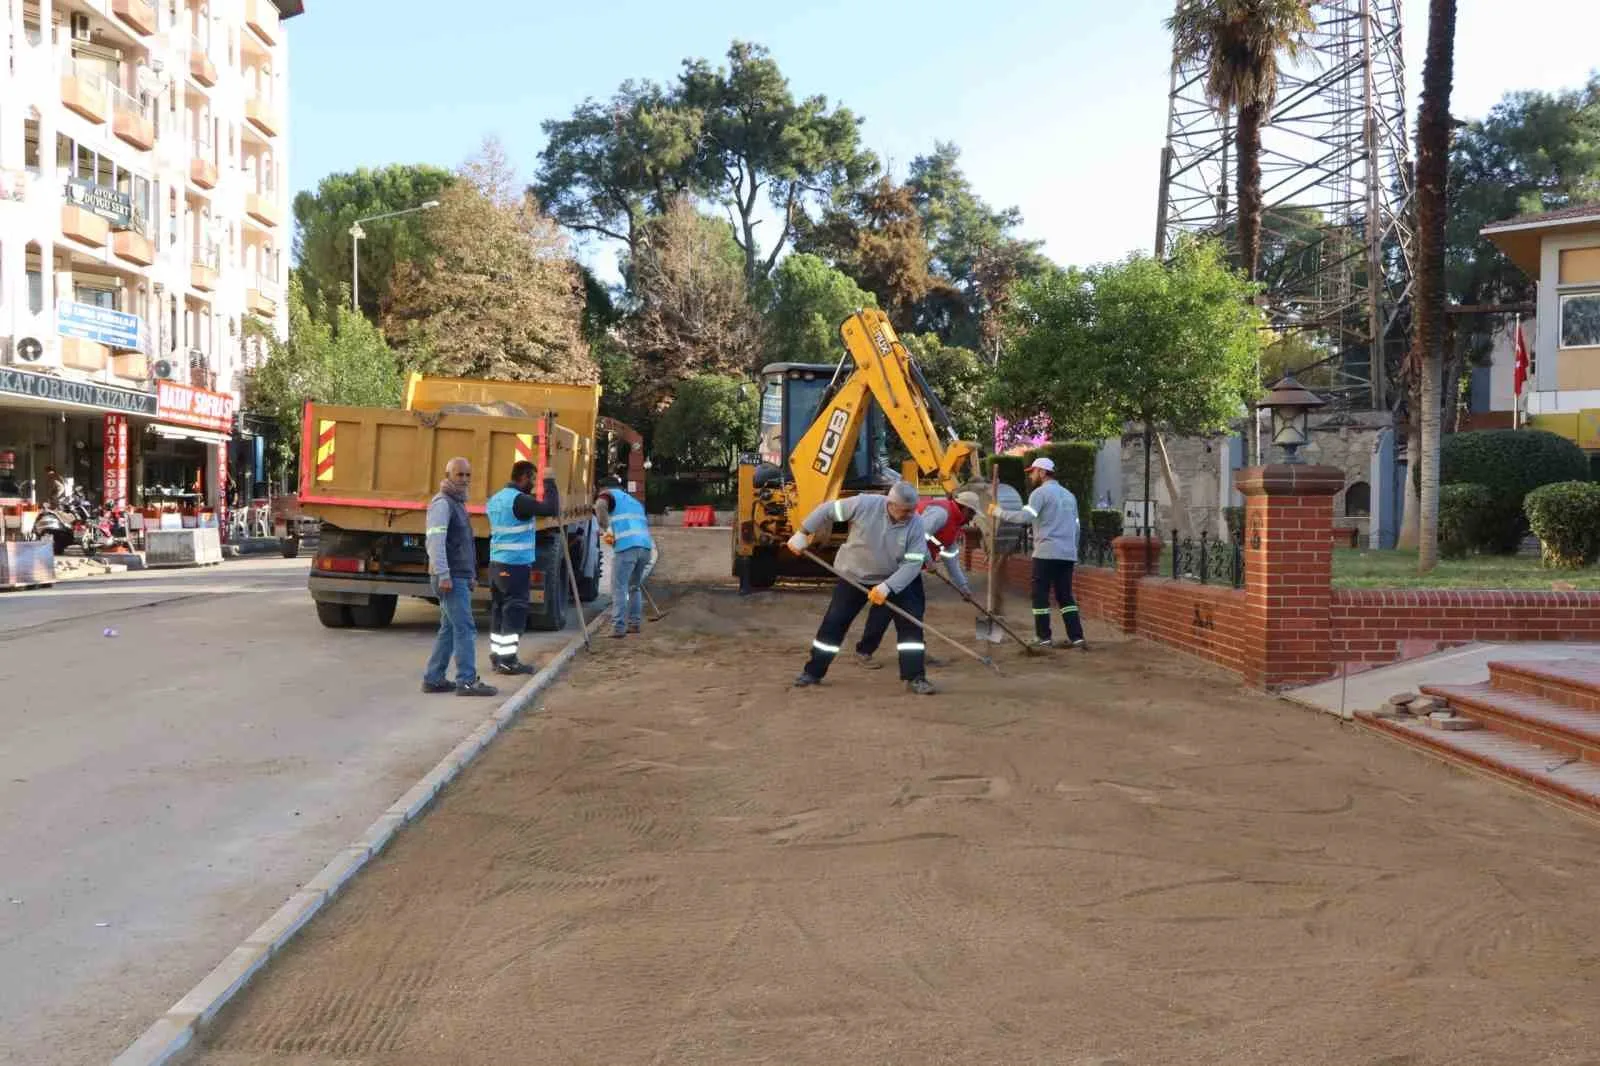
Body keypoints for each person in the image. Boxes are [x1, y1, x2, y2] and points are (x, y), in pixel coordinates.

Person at [788, 481, 937, 695]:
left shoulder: (916, 523)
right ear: (891, 504)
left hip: (895, 578)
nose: (910, 515)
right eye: (905, 511)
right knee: (835, 622)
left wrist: (888, 587)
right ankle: (813, 672)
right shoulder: (864, 504)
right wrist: (803, 532)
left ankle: (915, 677)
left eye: (913, 510)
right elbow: (827, 510)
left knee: (911, 626)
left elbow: (913, 563)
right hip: (854, 576)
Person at [851, 491, 981, 670]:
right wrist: (928, 560)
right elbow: (918, 533)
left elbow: (951, 560)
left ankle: (916, 651)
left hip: (912, 567)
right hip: (898, 564)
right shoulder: (941, 513)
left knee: (915, 609)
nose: (971, 518)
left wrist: (963, 587)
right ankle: (864, 651)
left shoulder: (954, 526)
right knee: (885, 609)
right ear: (964, 508)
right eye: (972, 513)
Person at [991, 456, 1086, 650]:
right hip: (1067, 554)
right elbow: (1076, 527)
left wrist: (998, 512)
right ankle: (1077, 637)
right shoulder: (1069, 495)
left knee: (1040, 596)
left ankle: (1043, 637)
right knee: (1065, 596)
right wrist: (1073, 551)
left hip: (1046, 553)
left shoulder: (1040, 494)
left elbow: (1025, 517)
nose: (1031, 476)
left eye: (1033, 472)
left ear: (1042, 472)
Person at [422, 457, 497, 697]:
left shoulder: (458, 503)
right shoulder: (442, 503)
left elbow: (465, 545)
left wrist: (471, 574)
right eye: (459, 475)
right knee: (465, 627)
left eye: (467, 475)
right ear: (447, 475)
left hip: (459, 576)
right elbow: (435, 542)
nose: (464, 479)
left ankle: (433, 678)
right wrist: (444, 574)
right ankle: (466, 680)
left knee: (449, 628)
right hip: (449, 577)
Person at [486, 459, 561, 675]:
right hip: (515, 565)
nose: (533, 485)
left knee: (499, 611)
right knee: (515, 611)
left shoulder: (495, 499)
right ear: (525, 476)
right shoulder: (519, 501)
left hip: (496, 564)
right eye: (533, 479)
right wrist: (549, 482)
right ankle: (508, 660)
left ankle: (497, 656)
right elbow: (551, 508)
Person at [594, 476, 653, 638]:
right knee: (634, 587)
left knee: (619, 587)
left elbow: (600, 506)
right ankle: (634, 624)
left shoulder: (607, 495)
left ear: (603, 487)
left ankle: (618, 627)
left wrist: (605, 528)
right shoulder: (633, 502)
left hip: (627, 548)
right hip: (645, 547)